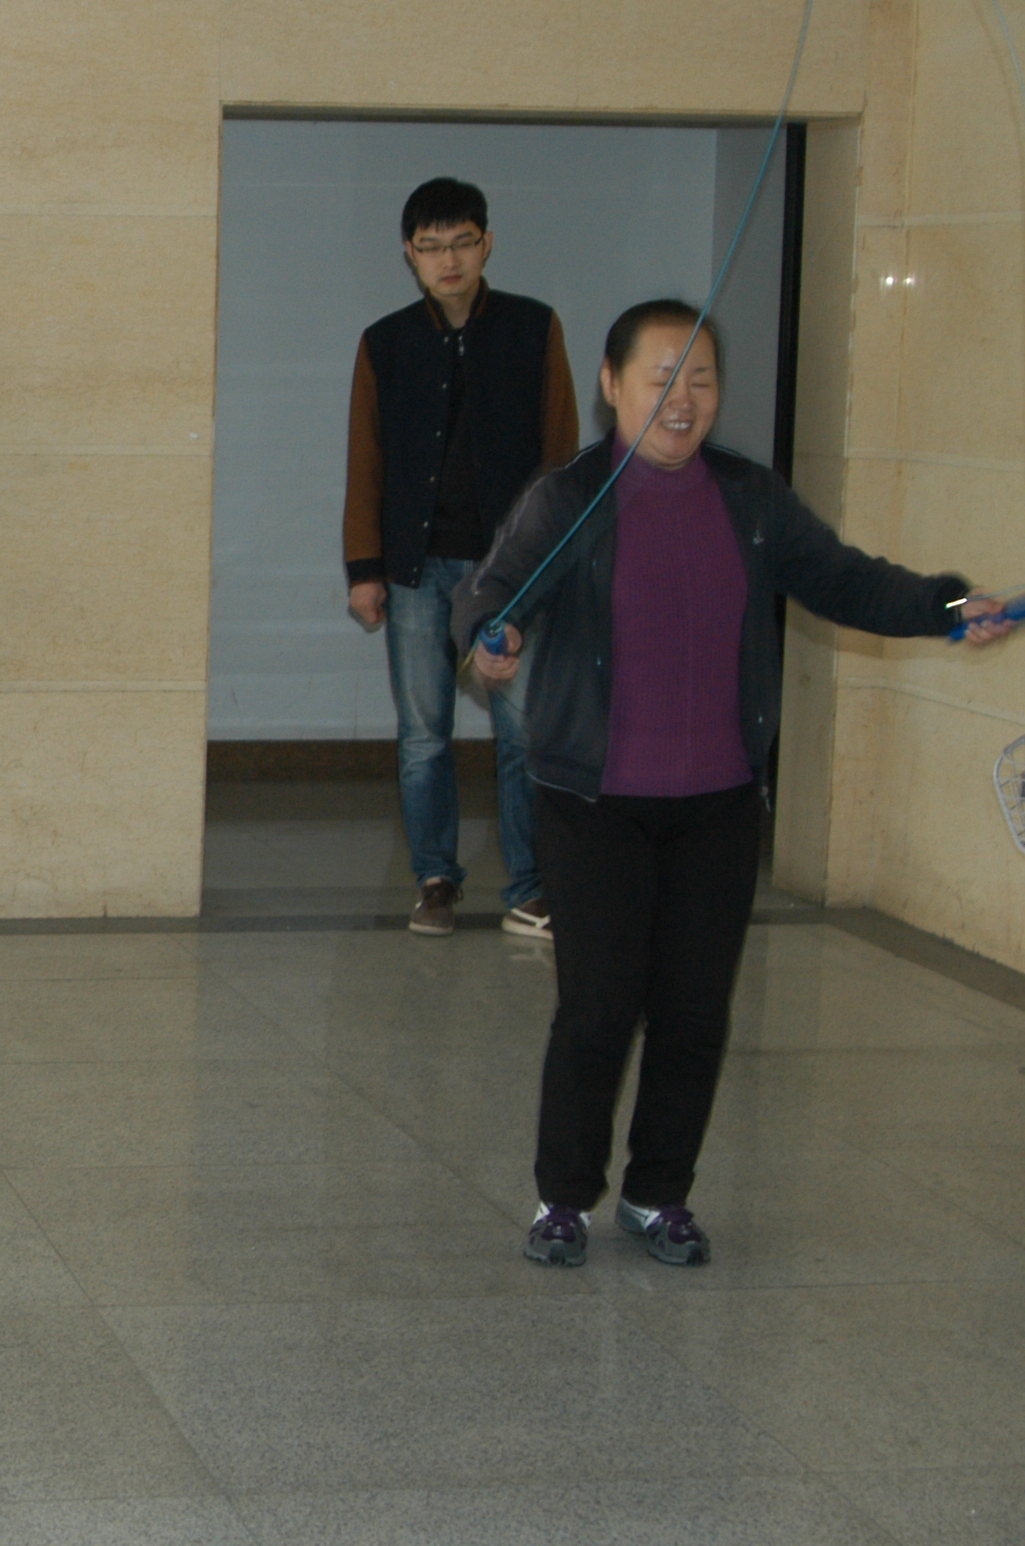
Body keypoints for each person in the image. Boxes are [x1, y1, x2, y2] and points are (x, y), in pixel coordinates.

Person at [457, 300, 1011, 1268]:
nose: (683, 399)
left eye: (702, 378)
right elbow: (492, 593)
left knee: (692, 1012)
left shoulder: (749, 498)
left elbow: (844, 578)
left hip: (716, 805)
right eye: (661, 377)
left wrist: (948, 603)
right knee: (598, 1009)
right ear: (611, 384)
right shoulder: (569, 496)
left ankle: (657, 1194)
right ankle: (563, 1198)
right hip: (592, 803)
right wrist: (489, 640)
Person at [345, 178, 577, 938]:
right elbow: (366, 461)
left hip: (510, 574)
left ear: (487, 244)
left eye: (463, 243)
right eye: (432, 247)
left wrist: (553, 563)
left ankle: (530, 889)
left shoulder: (534, 328)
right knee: (424, 736)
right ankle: (436, 880)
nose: (449, 260)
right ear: (409, 255)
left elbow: (561, 454)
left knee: (522, 732)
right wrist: (364, 569)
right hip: (416, 571)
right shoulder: (385, 342)